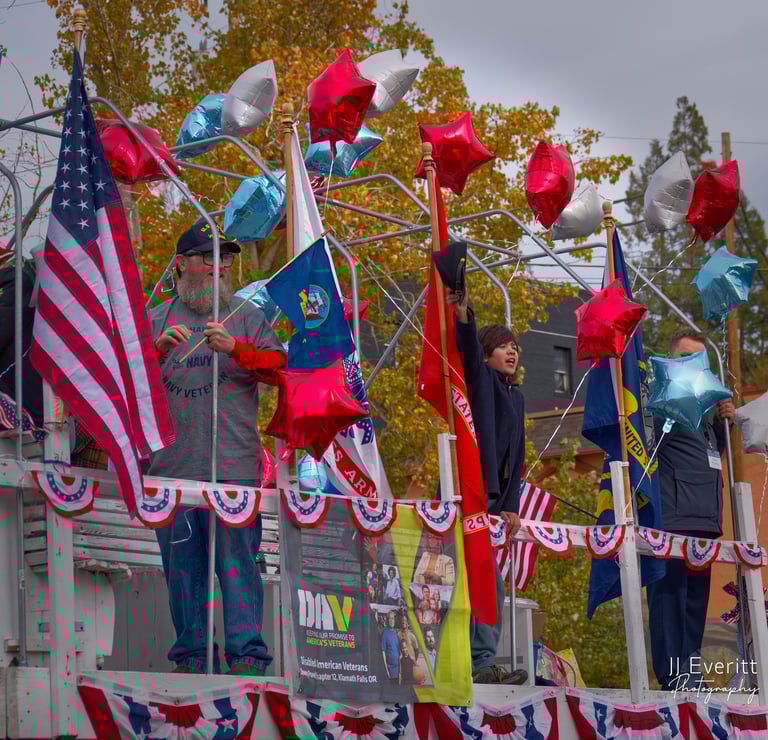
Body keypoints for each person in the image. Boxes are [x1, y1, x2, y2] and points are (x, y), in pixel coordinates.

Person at [149, 219, 285, 675]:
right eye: (207, 257)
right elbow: (125, 387)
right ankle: (191, 658)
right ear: (181, 264)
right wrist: (156, 352)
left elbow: (285, 370)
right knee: (182, 571)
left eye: (224, 258)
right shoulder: (157, 318)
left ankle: (247, 656)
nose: (218, 266)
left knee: (238, 566)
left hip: (235, 469)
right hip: (172, 470)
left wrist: (238, 349)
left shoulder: (247, 316)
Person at [447, 286, 527, 685]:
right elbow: (463, 344)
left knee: (485, 579)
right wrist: (464, 313)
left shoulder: (518, 398)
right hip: (467, 494)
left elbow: (518, 458)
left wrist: (511, 505)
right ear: (487, 352)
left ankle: (480, 660)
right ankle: (479, 661)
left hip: (491, 503)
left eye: (515, 348)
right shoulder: (479, 379)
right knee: (481, 580)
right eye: (503, 346)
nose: (511, 353)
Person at [647, 334, 735, 691]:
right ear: (670, 359)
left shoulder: (704, 412)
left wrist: (724, 421)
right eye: (684, 357)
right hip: (673, 519)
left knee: (696, 604)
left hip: (705, 522)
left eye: (699, 360)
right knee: (670, 602)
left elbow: (713, 458)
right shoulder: (660, 401)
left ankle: (691, 672)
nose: (691, 366)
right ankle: (673, 676)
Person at [381, 611, 400, 681]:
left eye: (393, 619)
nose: (392, 621)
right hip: (390, 673)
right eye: (390, 618)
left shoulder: (395, 633)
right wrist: (386, 671)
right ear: (387, 620)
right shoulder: (385, 633)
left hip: (398, 671)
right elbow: (383, 653)